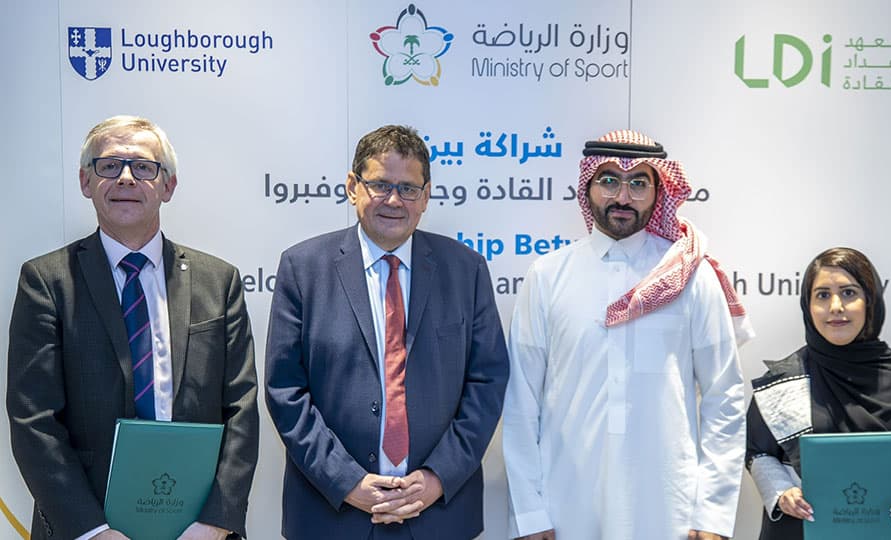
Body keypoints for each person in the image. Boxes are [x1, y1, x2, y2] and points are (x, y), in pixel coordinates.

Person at [6, 115, 259, 540]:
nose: (126, 178)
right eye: (109, 165)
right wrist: (92, 531)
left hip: (199, 529)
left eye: (143, 166)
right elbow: (34, 420)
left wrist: (217, 520)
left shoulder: (220, 281)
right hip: (85, 527)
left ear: (168, 186)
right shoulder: (46, 282)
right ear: (86, 182)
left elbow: (242, 409)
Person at [502, 129, 752, 540]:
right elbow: (521, 402)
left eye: (638, 182)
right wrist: (530, 514)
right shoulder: (548, 276)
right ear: (587, 187)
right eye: (609, 180)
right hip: (567, 506)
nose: (623, 196)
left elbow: (724, 396)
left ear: (659, 191)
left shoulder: (691, 276)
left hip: (670, 507)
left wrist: (712, 514)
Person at [264, 124, 509, 540]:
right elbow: (286, 390)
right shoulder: (302, 268)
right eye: (380, 184)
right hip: (332, 515)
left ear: (426, 195)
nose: (394, 200)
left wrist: (436, 478)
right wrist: (346, 482)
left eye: (408, 188)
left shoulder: (466, 270)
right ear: (352, 186)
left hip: (439, 517)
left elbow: (486, 384)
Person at [745, 247, 891, 539]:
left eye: (848, 293)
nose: (835, 307)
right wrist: (782, 493)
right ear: (808, 305)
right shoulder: (783, 381)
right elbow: (758, 452)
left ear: (870, 301)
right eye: (822, 295)